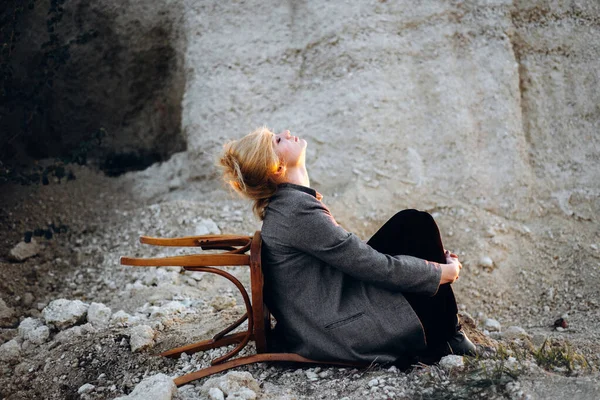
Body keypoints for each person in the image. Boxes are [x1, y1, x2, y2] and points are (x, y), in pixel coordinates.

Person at [218, 126, 476, 367]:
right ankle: (447, 338)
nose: (286, 133)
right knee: (416, 224)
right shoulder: (297, 211)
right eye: (277, 140)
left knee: (408, 226)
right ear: (277, 168)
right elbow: (370, 265)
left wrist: (427, 263)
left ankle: (444, 330)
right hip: (342, 330)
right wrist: (441, 273)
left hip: (330, 313)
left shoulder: (290, 206)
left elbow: (355, 256)